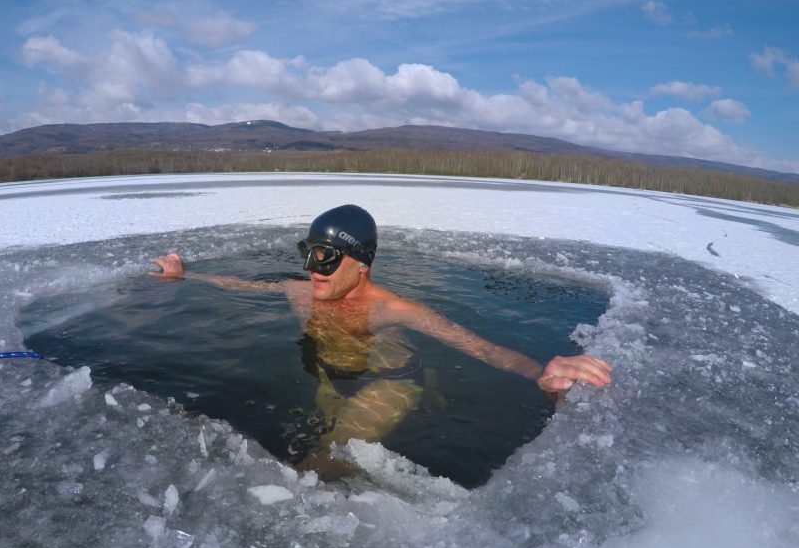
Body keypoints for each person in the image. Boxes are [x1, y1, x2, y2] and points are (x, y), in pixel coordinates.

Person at [152, 204, 612, 478]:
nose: (313, 269)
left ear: (361, 263)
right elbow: (244, 287)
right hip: (332, 379)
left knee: (317, 464)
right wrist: (185, 276)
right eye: (308, 255)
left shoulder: (393, 310)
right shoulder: (300, 292)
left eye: (326, 258)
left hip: (389, 385)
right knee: (304, 445)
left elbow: (478, 347)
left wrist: (542, 373)